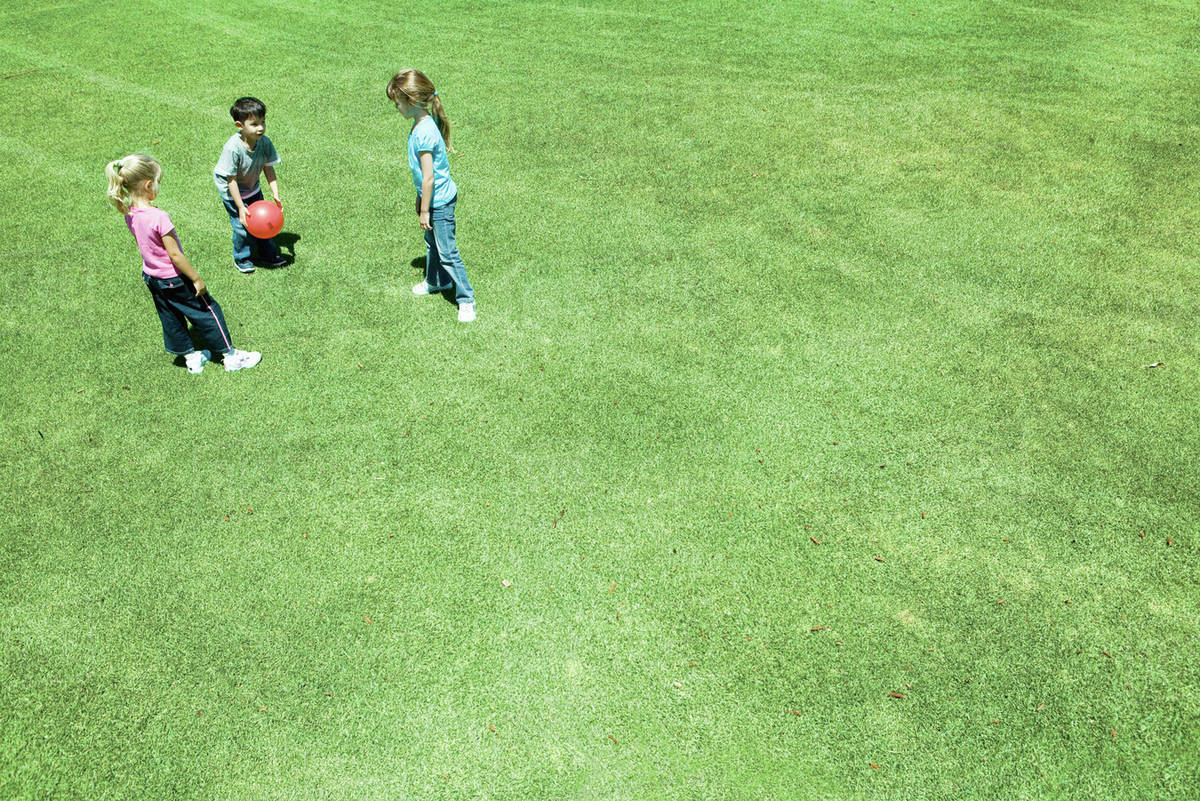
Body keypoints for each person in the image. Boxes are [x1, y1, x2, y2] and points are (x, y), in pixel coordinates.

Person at [107, 153, 262, 373]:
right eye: (157, 183)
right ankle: (230, 356)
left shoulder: (130, 213)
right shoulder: (159, 217)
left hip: (152, 277)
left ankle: (192, 358)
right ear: (148, 185)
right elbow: (174, 255)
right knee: (207, 310)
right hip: (174, 278)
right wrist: (196, 279)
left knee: (170, 316)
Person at [387, 69, 476, 322]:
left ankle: (466, 299)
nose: (396, 108)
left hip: (440, 202)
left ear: (412, 101)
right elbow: (423, 178)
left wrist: (425, 209)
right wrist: (420, 198)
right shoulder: (421, 124)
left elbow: (429, 177)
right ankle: (437, 281)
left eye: (398, 103)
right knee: (432, 244)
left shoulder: (424, 133)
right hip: (432, 198)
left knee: (447, 252)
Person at [213, 96, 287, 274]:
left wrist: (275, 193)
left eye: (263, 122)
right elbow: (231, 180)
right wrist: (240, 207)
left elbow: (268, 168)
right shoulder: (233, 148)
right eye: (254, 124)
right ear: (239, 125)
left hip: (252, 187)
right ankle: (242, 258)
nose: (260, 128)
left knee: (265, 222)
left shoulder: (264, 143)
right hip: (232, 192)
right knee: (242, 227)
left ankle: (268, 254)